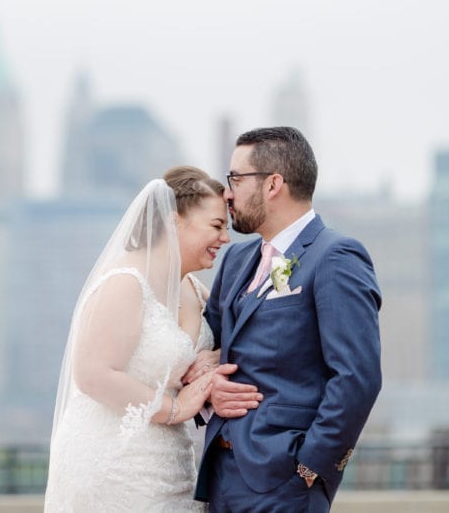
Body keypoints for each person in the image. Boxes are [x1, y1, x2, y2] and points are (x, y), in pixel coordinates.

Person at [194, 127, 382, 512]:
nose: (227, 192)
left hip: (286, 482)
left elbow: (357, 376)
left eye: (236, 178)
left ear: (273, 184)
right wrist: (204, 383)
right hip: (219, 478)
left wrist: (311, 465)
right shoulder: (235, 262)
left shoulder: (335, 257)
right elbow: (206, 343)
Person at [45, 166, 231, 512]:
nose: (225, 239)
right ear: (174, 221)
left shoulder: (195, 290)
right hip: (112, 464)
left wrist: (215, 358)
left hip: (171, 465)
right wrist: (176, 408)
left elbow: (210, 355)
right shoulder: (125, 283)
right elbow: (93, 375)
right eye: (217, 226)